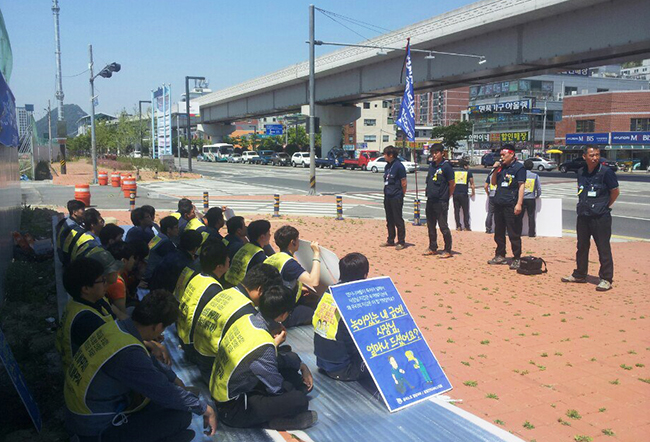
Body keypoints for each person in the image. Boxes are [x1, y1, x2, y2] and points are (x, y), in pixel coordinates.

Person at [63, 290, 217, 441]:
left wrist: (174, 379)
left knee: (179, 420)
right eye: (164, 328)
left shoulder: (117, 328)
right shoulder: (128, 354)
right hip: (95, 429)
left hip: (82, 414)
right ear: (158, 326)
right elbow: (163, 391)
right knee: (181, 417)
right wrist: (204, 408)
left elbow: (149, 361)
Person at [210, 285, 317, 431]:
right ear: (283, 315)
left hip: (231, 388)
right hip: (234, 408)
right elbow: (276, 388)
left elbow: (269, 360)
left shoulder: (247, 319)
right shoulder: (263, 344)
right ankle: (270, 422)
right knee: (299, 400)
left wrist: (301, 365)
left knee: (293, 374)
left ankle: (274, 413)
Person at [193, 263, 281, 381]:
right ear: (260, 290)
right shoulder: (247, 313)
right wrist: (274, 344)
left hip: (199, 357)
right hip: (214, 371)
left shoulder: (227, 292)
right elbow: (254, 353)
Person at [562, 146, 619, 291]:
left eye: (597, 155)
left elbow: (615, 191)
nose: (595, 158)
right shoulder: (581, 172)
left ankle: (606, 278)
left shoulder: (606, 172)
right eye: (592, 155)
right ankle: (580, 274)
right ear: (584, 157)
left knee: (603, 247)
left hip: (600, 216)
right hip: (583, 214)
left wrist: (604, 205)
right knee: (581, 246)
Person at [313, 252, 370, 381]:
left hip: (322, 361)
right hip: (343, 368)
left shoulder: (329, 292)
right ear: (365, 275)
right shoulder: (356, 301)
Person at [176, 239, 229, 376]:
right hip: (193, 349)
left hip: (182, 337)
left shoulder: (198, 277)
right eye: (227, 259)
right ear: (219, 266)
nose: (229, 260)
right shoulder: (214, 289)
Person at [56, 257, 117, 372]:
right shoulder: (86, 320)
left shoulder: (84, 301)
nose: (106, 283)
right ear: (86, 289)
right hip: (89, 376)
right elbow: (114, 354)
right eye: (102, 280)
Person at [265, 225, 321, 327]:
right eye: (297, 239)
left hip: (270, 306)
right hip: (283, 314)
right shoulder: (289, 264)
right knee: (318, 312)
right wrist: (316, 254)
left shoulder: (272, 258)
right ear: (293, 242)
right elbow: (313, 281)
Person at [487, 145, 526, 270]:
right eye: (501, 155)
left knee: (513, 232)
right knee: (499, 232)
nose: (502, 157)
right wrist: (495, 169)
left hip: (511, 204)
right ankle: (500, 255)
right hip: (499, 203)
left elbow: (521, 186)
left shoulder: (519, 168)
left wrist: (519, 203)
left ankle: (516, 257)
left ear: (512, 154)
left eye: (504, 155)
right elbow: (493, 183)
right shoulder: (501, 168)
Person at [423, 143, 455, 258]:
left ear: (442, 153)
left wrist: (447, 196)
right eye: (432, 153)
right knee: (431, 225)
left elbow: (452, 184)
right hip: (431, 199)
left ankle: (447, 249)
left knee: (443, 226)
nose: (434, 155)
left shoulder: (446, 167)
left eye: (436, 153)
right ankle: (432, 247)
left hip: (441, 201)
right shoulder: (432, 166)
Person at [224, 219, 271, 287]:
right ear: (262, 237)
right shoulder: (259, 256)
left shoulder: (243, 247)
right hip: (241, 288)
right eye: (268, 233)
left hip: (228, 283)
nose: (270, 235)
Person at [380, 146, 407, 250]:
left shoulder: (399, 166)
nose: (384, 156)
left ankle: (401, 241)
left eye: (385, 154)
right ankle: (390, 239)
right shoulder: (387, 166)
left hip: (396, 195)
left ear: (391, 155)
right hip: (388, 195)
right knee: (389, 219)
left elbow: (404, 183)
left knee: (398, 219)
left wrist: (402, 194)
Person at [144, 215, 179, 283]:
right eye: (176, 227)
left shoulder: (158, 237)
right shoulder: (166, 243)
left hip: (147, 270)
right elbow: (172, 263)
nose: (178, 229)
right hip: (152, 276)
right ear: (168, 230)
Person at [106, 242, 137, 316]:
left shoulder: (110, 273)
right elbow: (122, 313)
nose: (134, 261)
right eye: (132, 258)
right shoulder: (117, 282)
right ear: (124, 261)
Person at [56, 199, 86, 264]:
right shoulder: (73, 228)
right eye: (82, 210)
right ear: (75, 212)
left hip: (63, 255)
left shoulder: (68, 221)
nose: (84, 212)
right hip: (67, 260)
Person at [452, 159, 475, 231]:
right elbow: (472, 184)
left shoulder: (454, 172)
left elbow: (451, 182)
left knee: (456, 210)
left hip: (455, 193)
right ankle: (466, 226)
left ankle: (458, 226)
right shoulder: (468, 172)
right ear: (465, 166)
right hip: (464, 193)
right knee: (465, 211)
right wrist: (473, 192)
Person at [523, 159, 542, 237]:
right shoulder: (535, 176)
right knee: (531, 216)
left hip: (521, 198)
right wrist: (537, 195)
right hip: (531, 198)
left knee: (519, 216)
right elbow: (539, 188)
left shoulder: (521, 175)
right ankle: (531, 233)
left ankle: (518, 231)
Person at [484, 169, 497, 234]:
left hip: (492, 195)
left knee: (490, 212)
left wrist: (488, 193)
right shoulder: (503, 173)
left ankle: (488, 228)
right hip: (499, 195)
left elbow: (485, 186)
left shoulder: (490, 174)